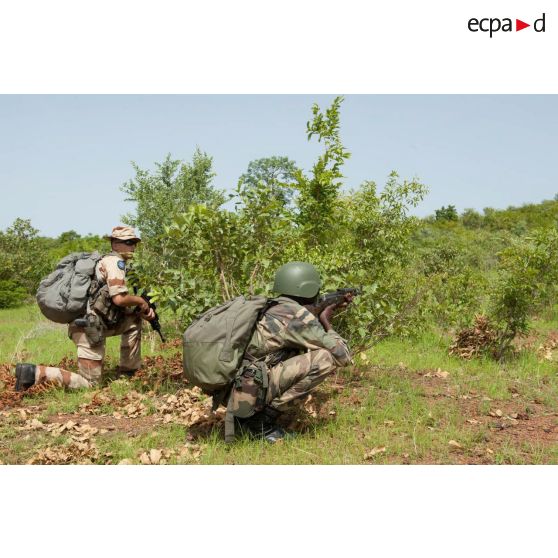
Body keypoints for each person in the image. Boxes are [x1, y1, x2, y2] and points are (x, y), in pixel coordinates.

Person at [15, 226, 155, 391]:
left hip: (92, 325)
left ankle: (129, 373)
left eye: (134, 243)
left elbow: (108, 304)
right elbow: (119, 299)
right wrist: (141, 301)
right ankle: (35, 373)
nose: (133, 247)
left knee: (133, 321)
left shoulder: (106, 262)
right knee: (90, 385)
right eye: (128, 242)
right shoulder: (114, 262)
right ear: (115, 244)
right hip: (87, 329)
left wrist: (139, 312)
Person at [230, 261, 352, 442]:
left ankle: (246, 418)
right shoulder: (297, 316)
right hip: (248, 392)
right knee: (325, 358)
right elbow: (343, 356)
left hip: (239, 389)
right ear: (309, 288)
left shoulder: (276, 306)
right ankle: (262, 424)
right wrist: (326, 321)